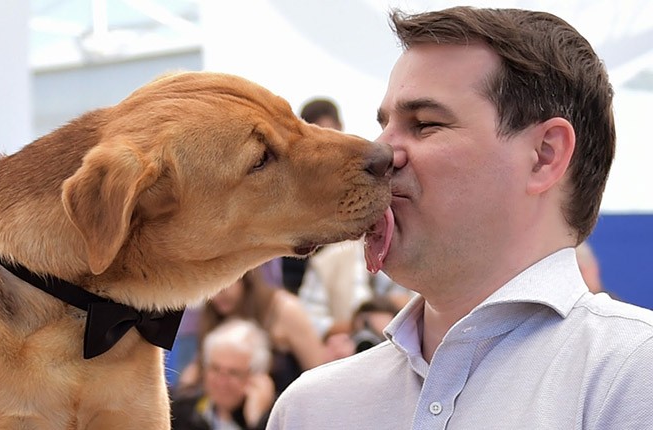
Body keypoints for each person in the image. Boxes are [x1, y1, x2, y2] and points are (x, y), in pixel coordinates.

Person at [268, 6, 653, 429]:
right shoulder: (311, 408)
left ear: (545, 155)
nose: (379, 150)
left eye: (425, 124)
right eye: (384, 125)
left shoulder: (634, 375)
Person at [177, 267, 329, 395]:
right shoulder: (214, 314)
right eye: (210, 289)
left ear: (244, 276)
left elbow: (318, 373)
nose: (217, 296)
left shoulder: (285, 309)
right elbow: (198, 369)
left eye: (223, 286)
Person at [281, 97, 344, 294]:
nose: (325, 142)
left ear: (341, 128)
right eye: (315, 134)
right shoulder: (290, 187)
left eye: (329, 132)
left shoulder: (358, 179)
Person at [170, 318, 275, 430]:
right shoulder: (181, 411)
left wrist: (256, 421)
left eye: (233, 373)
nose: (221, 381)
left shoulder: (276, 418)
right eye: (215, 369)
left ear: (257, 377)